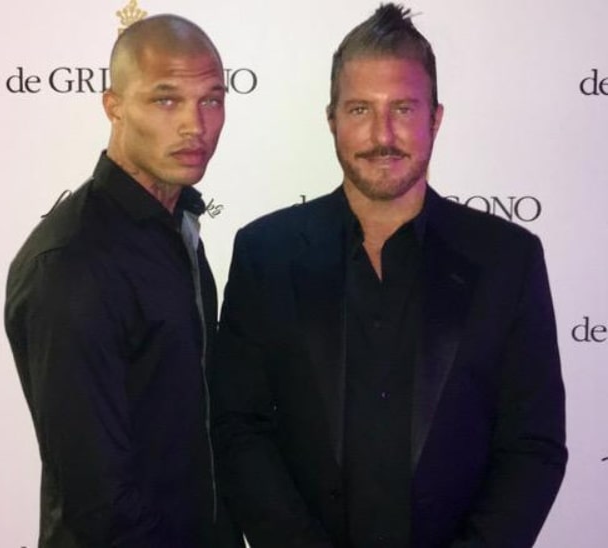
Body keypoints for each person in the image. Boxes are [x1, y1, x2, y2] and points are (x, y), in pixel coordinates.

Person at [210, 4, 567, 547]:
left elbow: (533, 445)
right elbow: (239, 428)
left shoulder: (508, 260)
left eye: (403, 107)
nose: (383, 134)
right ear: (331, 119)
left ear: (436, 118)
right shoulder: (265, 255)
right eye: (359, 110)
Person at [5, 14, 243, 548]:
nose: (195, 125)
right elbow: (99, 501)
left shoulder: (175, 227)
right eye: (166, 100)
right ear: (113, 106)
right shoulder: (71, 263)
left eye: (211, 99)